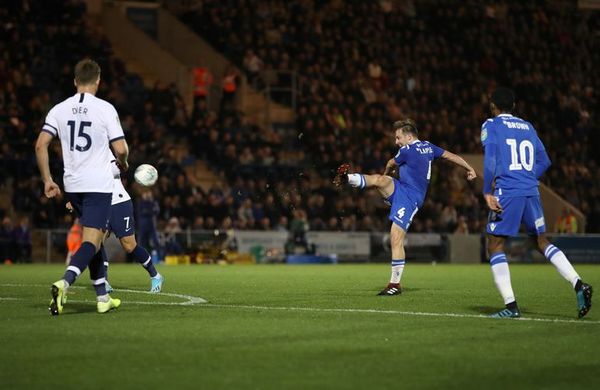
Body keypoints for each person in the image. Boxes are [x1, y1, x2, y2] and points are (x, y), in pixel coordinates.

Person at [481, 87, 592, 318]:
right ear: (514, 106)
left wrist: (486, 190)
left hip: (508, 191)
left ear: (493, 106)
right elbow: (545, 160)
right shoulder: (528, 127)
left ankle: (511, 307)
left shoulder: (491, 125)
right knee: (541, 241)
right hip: (531, 191)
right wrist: (528, 177)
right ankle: (578, 284)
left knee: (494, 246)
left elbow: (491, 158)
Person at [334, 119, 477, 295]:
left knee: (395, 237)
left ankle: (395, 285)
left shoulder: (406, 151)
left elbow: (389, 162)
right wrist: (469, 168)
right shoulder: (429, 147)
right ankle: (348, 178)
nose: (396, 142)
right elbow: (451, 156)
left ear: (409, 137)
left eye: (398, 137)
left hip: (411, 198)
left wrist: (387, 175)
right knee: (379, 180)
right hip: (402, 188)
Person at [35, 58, 128, 315]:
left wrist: (47, 180)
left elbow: (40, 145)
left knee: (93, 238)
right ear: (98, 81)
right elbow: (120, 148)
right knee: (91, 241)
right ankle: (64, 282)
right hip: (98, 184)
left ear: (75, 81)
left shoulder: (58, 109)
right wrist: (124, 163)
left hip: (72, 185)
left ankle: (102, 297)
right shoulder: (105, 108)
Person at [66, 159, 165, 293]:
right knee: (96, 242)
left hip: (119, 203)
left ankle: (155, 276)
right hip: (101, 205)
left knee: (129, 245)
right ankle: (104, 280)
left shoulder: (106, 153)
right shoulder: (86, 158)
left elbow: (116, 168)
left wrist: (123, 162)